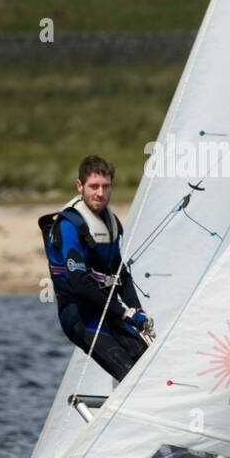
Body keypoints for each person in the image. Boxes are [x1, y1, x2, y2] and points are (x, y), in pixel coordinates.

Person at [40, 154, 154, 382]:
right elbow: (80, 284)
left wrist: (137, 310)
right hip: (80, 317)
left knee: (150, 368)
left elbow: (120, 274)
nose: (100, 193)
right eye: (94, 187)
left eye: (106, 186)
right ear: (80, 186)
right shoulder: (69, 225)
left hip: (107, 311)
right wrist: (124, 312)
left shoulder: (110, 224)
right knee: (131, 377)